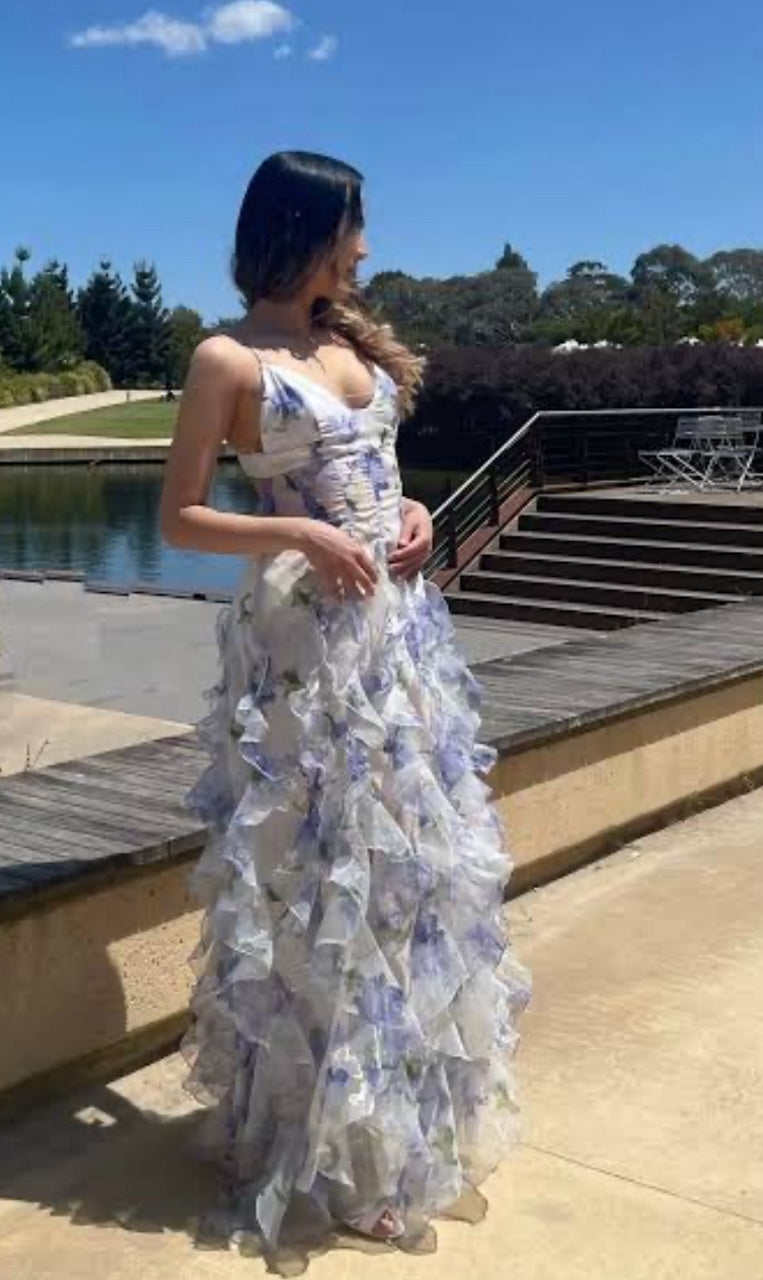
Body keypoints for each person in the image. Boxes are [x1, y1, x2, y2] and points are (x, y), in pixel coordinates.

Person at [159, 150, 532, 1259]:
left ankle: (390, 1133)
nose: (364, 251)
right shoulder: (226, 358)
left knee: (406, 880)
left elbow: (373, 473)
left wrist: (411, 511)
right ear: (305, 229)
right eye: (351, 230)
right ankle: (321, 1142)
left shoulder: (347, 343)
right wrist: (296, 531)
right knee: (317, 885)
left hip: (397, 644)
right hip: (302, 654)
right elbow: (180, 516)